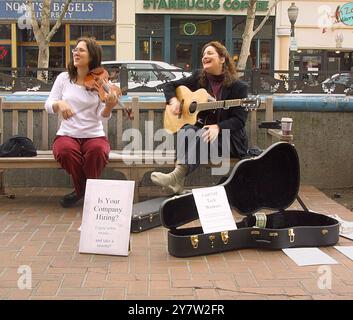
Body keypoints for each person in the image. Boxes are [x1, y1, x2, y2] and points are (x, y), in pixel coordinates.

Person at [151, 41, 248, 194]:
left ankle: (176, 176)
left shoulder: (239, 87)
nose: (205, 57)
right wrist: (173, 101)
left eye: (210, 53)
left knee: (199, 133)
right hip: (202, 138)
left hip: (228, 140)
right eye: (203, 55)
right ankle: (178, 183)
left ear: (222, 59)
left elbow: (239, 120)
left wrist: (218, 127)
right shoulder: (199, 78)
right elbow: (169, 86)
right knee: (187, 129)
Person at [45, 37, 121, 208]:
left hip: (94, 135)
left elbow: (103, 116)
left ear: (92, 56)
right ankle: (89, 193)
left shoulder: (102, 82)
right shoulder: (64, 78)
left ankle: (79, 192)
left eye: (81, 50)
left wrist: (109, 106)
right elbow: (48, 104)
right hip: (67, 134)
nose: (75, 52)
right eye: (75, 49)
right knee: (65, 151)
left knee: (97, 151)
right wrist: (59, 103)